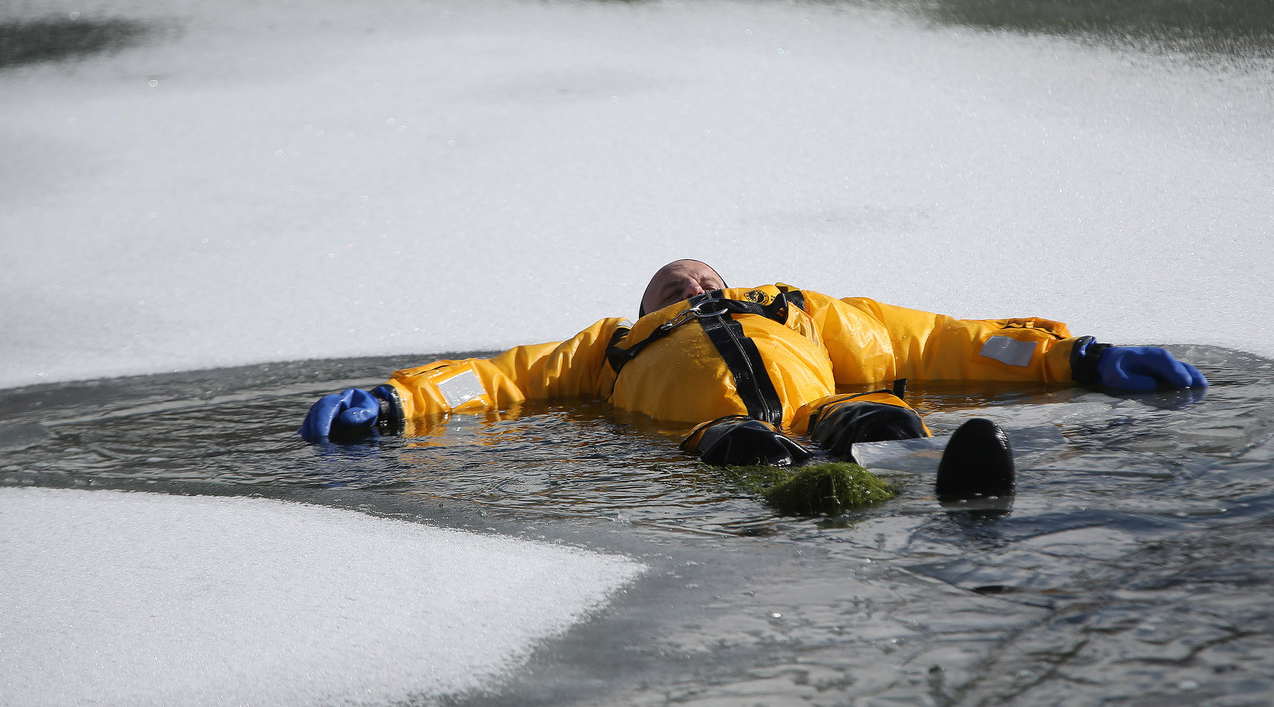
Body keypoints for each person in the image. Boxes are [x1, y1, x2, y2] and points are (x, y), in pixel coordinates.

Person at [299, 259, 1207, 501]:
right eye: (673, 282)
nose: (694, 287)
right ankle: (793, 480)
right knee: (744, 448)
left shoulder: (795, 311)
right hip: (705, 435)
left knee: (873, 413)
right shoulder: (610, 347)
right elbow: (498, 382)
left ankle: (948, 484)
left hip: (825, 403)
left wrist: (1074, 355)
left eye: (704, 278)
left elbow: (937, 342)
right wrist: (398, 399)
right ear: (645, 302)